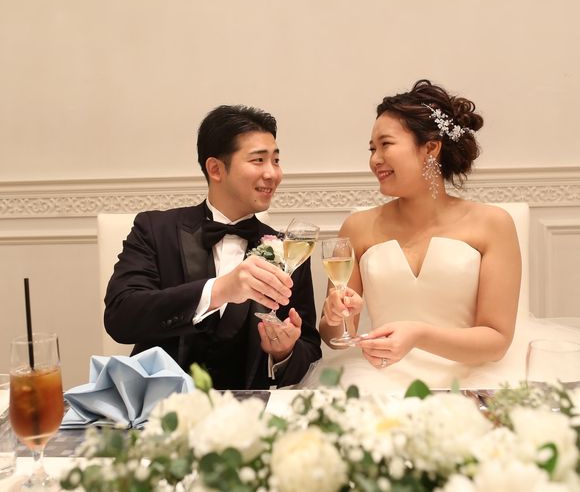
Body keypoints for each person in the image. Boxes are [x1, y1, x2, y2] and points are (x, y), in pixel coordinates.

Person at [309, 79, 525, 391]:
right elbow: (336, 338)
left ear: (431, 148)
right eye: (372, 148)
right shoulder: (357, 226)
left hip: (467, 381)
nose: (375, 159)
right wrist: (334, 317)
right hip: (377, 379)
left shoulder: (493, 224)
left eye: (385, 144)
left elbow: (496, 340)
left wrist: (419, 335)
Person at [104, 105, 321, 390]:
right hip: (160, 405)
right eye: (258, 160)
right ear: (215, 169)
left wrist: (284, 352)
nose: (273, 173)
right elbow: (121, 317)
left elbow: (309, 350)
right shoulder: (155, 230)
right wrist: (219, 290)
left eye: (276, 160)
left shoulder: (289, 249)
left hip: (249, 409)